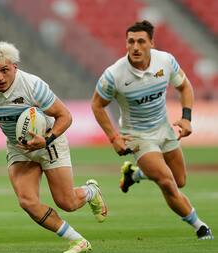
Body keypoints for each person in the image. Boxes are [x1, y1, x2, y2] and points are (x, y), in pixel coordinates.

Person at [0, 41, 108, 253]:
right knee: (27, 202)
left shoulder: (32, 86)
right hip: (18, 147)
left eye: (4, 70)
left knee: (67, 202)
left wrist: (46, 139)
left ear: (15, 67)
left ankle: (91, 191)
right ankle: (78, 240)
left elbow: (65, 116)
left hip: (48, 142)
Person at [91, 20, 213, 240]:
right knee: (166, 182)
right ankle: (200, 227)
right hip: (137, 136)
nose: (135, 47)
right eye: (131, 42)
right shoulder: (114, 74)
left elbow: (185, 86)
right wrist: (113, 137)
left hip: (164, 128)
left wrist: (186, 118)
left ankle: (134, 174)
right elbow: (97, 105)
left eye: (141, 41)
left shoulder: (165, 61)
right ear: (126, 44)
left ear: (151, 43)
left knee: (180, 180)